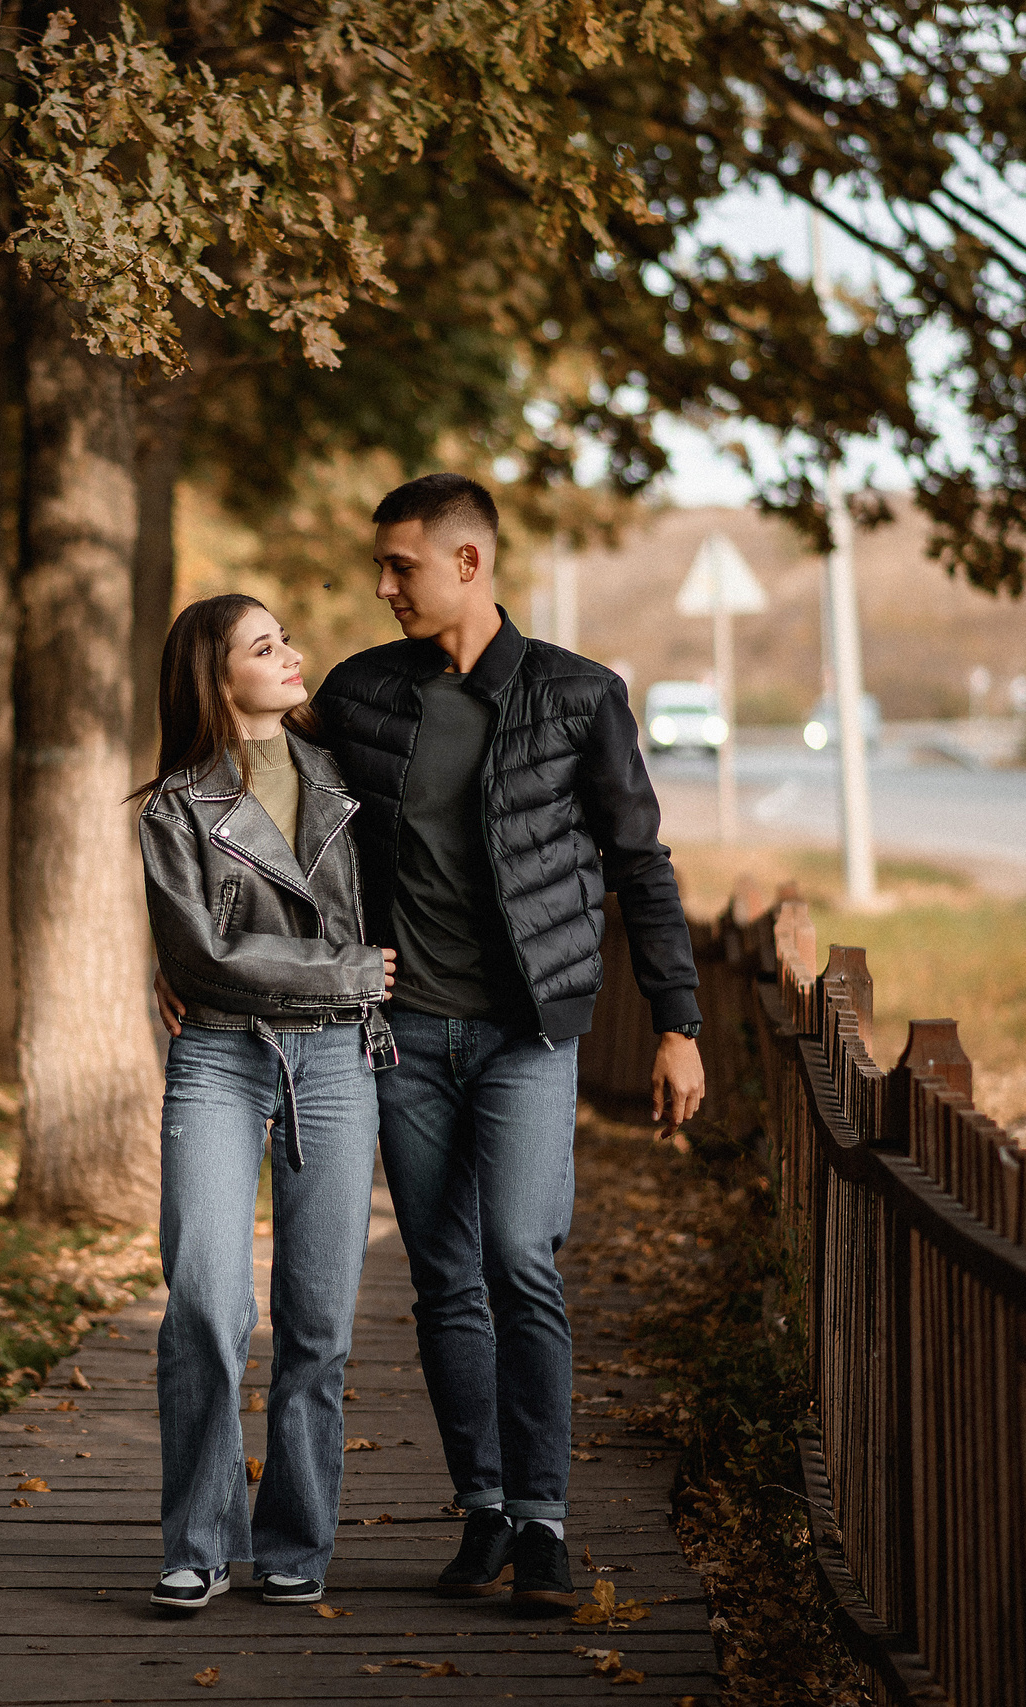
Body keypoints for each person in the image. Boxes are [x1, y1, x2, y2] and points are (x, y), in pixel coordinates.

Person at [293, 472, 704, 1611]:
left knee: (520, 1258)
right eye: (380, 567)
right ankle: (483, 1511)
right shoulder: (362, 694)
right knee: (442, 1280)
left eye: (401, 567)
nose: (381, 587)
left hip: (529, 1035)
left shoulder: (578, 697)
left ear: (468, 565)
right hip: (405, 1036)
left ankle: (547, 1521)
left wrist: (679, 1024)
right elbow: (280, 831)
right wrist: (201, 965)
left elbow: (640, 867)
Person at [133, 594, 399, 1616]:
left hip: (337, 1063)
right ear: (216, 676)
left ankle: (294, 1540)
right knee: (204, 1299)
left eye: (285, 636)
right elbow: (201, 958)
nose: (291, 655)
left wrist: (337, 989)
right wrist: (345, 974)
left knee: (318, 1319)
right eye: (263, 645)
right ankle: (196, 1542)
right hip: (218, 1058)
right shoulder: (175, 808)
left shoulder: (349, 781)